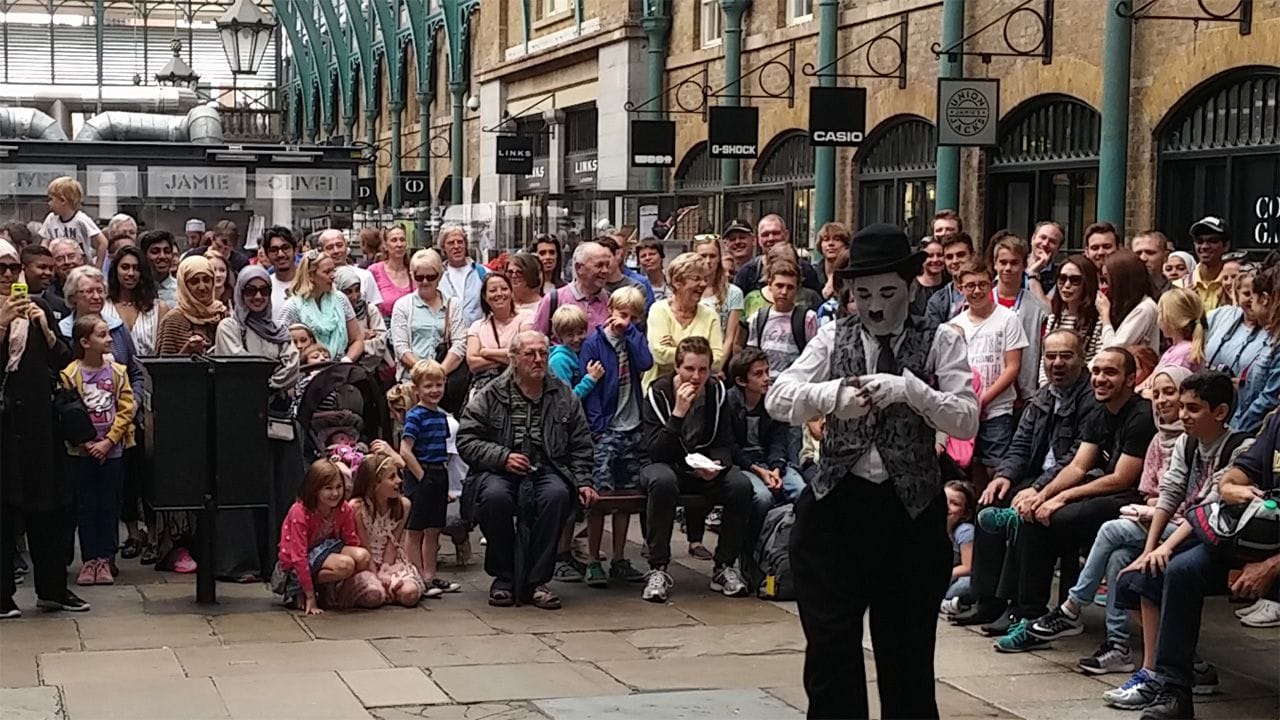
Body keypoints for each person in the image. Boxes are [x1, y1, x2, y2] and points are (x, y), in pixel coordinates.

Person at [765, 223, 979, 719]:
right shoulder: (831, 336)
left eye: (887, 292)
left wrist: (912, 391)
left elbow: (966, 417)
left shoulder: (943, 338)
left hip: (910, 514)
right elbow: (778, 397)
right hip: (836, 510)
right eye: (863, 294)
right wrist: (832, 396)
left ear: (908, 286)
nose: (875, 305)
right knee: (831, 651)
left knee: (906, 655)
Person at [1034, 372, 1250, 709]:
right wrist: (1149, 549)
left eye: (1192, 409)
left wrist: (1161, 549)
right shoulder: (1186, 442)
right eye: (1181, 407)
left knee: (1138, 557)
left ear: (1220, 412)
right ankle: (1154, 662)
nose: (1182, 416)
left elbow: (1209, 510)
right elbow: (1170, 493)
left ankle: (1140, 661)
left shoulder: (1240, 447)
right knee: (1127, 562)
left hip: (1215, 536)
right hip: (1180, 529)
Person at [987, 347, 1156, 652]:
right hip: (1100, 491)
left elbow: (1122, 478)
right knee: (1034, 515)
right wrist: (1042, 494)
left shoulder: (1141, 415)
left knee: (1056, 517)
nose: (1101, 379)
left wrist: (1061, 498)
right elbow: (1078, 465)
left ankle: (1067, 613)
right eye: (1098, 372)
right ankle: (1031, 615)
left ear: (1131, 379)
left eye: (1111, 372)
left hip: (1131, 499)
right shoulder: (1099, 411)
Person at [1018, 366, 1187, 671]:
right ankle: (1118, 646)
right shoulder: (1157, 439)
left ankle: (1072, 606)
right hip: (1152, 515)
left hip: (1183, 525)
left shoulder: (1190, 441)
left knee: (1109, 530)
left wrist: (1157, 509)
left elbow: (1191, 498)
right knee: (1118, 557)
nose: (1161, 401)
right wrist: (1042, 493)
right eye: (1158, 393)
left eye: (1170, 393)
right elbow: (1148, 489)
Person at [1121, 410, 1280, 720]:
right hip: (1260, 538)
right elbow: (1237, 474)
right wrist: (1232, 488)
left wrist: (1271, 567)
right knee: (1181, 570)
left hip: (1274, 557)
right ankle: (1174, 689)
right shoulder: (1277, 421)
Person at [953, 330, 1098, 627]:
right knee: (989, 502)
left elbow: (1076, 458)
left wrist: (1038, 488)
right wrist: (1004, 475)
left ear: (1082, 360)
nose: (1057, 363)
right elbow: (1020, 445)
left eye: (1066, 356)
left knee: (1025, 516)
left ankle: (1024, 606)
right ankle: (988, 599)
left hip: (1071, 483)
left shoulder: (1090, 401)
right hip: (1035, 477)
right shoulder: (1043, 397)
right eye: (1051, 356)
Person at [457, 330, 597, 610]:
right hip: (499, 470)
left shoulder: (563, 394)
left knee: (556, 496)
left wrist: (583, 481)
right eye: (530, 354)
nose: (538, 360)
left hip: (548, 467)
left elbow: (581, 444)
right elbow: (467, 439)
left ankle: (536, 580)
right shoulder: (492, 393)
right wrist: (502, 456)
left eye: (543, 354)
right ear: (514, 359)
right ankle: (504, 576)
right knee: (495, 498)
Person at [1, 239, 88, 617]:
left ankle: (53, 589)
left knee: (49, 508)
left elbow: (66, 360)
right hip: (4, 426)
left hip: (39, 424)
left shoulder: (38, 307)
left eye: (13, 268)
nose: (8, 276)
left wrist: (46, 330)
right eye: (0, 269)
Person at [640, 336, 755, 603]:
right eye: (690, 369)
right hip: (665, 464)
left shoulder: (716, 392)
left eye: (703, 369)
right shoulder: (658, 393)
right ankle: (658, 568)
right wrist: (678, 414)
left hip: (702, 466)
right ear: (677, 368)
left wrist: (717, 465)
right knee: (662, 482)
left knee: (740, 486)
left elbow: (724, 441)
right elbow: (655, 450)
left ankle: (724, 566)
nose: (696, 376)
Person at [214, 265, 303, 577]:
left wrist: (265, 379)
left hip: (276, 420)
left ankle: (276, 558)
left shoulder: (279, 328)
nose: (257, 296)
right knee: (242, 490)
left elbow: (292, 366)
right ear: (240, 292)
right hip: (241, 422)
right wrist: (269, 374)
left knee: (279, 488)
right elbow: (240, 366)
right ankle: (241, 561)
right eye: (250, 290)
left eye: (263, 291)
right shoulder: (229, 327)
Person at [154, 256, 228, 572]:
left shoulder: (225, 315)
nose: (201, 287)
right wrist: (187, 353)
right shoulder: (174, 319)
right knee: (184, 480)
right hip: (182, 414)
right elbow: (161, 369)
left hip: (219, 409)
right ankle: (177, 546)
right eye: (194, 281)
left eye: (207, 280)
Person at [578, 286, 653, 587]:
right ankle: (594, 558)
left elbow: (646, 363)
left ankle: (620, 557)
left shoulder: (633, 340)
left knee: (626, 498)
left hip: (632, 425)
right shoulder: (594, 343)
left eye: (633, 317)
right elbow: (592, 392)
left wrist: (632, 333)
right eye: (622, 314)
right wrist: (597, 428)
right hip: (607, 428)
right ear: (610, 309)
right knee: (601, 498)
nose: (626, 321)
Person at [62, 314, 136, 586]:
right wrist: (85, 442)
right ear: (85, 342)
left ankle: (105, 558)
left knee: (108, 505)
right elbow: (68, 411)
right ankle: (89, 559)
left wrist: (110, 440)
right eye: (102, 335)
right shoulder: (70, 374)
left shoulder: (118, 372)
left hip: (112, 451)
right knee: (86, 505)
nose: (108, 340)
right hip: (82, 453)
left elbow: (126, 408)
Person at [727, 347, 806, 583]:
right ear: (742, 380)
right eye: (758, 374)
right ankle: (748, 552)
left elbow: (779, 441)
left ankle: (792, 554)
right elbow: (731, 446)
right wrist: (758, 470)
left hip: (770, 463)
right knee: (761, 498)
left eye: (767, 371)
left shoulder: (772, 402)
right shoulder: (730, 403)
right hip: (745, 466)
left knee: (802, 492)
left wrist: (776, 468)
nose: (766, 378)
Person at [950, 261, 1028, 486]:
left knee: (996, 466)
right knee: (968, 466)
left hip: (997, 410)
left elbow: (1013, 367)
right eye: (970, 286)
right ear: (960, 288)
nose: (977, 291)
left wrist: (983, 400)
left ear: (990, 283)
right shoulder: (954, 324)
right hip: (965, 410)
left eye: (982, 284)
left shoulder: (1008, 319)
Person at [272, 459, 375, 614]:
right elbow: (298, 556)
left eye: (339, 487)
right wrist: (310, 597)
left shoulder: (343, 509)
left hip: (327, 551)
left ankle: (339, 595)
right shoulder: (300, 511)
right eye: (328, 488)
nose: (335, 493)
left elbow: (351, 540)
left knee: (363, 556)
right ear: (314, 489)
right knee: (345, 565)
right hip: (296, 563)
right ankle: (300, 588)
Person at [399, 359, 464, 599]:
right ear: (417, 388)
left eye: (438, 385)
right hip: (422, 474)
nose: (434, 390)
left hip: (439, 473)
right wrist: (422, 476)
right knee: (415, 529)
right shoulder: (415, 416)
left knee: (434, 528)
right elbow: (405, 450)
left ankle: (429, 575)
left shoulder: (441, 417)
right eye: (428, 386)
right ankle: (415, 576)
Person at [350, 450, 425, 607]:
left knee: (410, 594)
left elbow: (393, 543)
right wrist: (374, 572)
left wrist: (385, 568)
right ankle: (383, 590)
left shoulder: (403, 506)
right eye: (392, 477)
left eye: (398, 475)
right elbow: (364, 544)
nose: (398, 481)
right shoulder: (357, 507)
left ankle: (392, 589)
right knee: (373, 596)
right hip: (366, 563)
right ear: (375, 484)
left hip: (389, 562)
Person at [60, 266, 145, 396]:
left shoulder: (117, 327)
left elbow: (136, 372)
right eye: (89, 291)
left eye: (100, 291)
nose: (96, 297)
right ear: (73, 297)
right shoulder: (62, 332)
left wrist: (134, 402)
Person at [644, 252, 723, 389]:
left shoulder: (710, 315)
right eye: (696, 278)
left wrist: (675, 348)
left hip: (698, 391)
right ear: (677, 282)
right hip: (660, 391)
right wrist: (702, 355)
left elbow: (718, 361)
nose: (703, 284)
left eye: (705, 278)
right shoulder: (659, 310)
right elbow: (659, 355)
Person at [390, 249, 466, 383]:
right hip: (411, 380)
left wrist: (439, 373)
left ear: (440, 276)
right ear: (412, 276)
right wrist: (424, 373)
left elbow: (459, 344)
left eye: (431, 277)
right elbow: (400, 347)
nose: (425, 282)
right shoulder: (402, 305)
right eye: (419, 277)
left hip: (444, 380)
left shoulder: (453, 304)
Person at [990, 234, 1049, 401]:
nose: (1008, 268)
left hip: (1023, 394)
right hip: (986, 388)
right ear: (995, 264)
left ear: (1024, 265)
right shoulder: (982, 301)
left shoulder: (1037, 308)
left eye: (1014, 263)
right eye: (1003, 262)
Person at [279, 250, 365, 363]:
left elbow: (357, 340)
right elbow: (281, 348)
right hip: (306, 372)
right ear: (311, 275)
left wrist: (346, 360)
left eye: (333, 270)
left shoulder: (340, 299)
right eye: (327, 272)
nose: (333, 276)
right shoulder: (292, 307)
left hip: (340, 368)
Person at [744, 257, 818, 378]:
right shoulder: (758, 317)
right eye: (779, 286)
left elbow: (814, 356)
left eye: (790, 287)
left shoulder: (807, 318)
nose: (784, 292)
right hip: (765, 384)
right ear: (769, 285)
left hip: (794, 384)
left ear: (798, 288)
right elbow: (752, 356)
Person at [1230, 260, 1279, 433]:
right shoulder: (1271, 339)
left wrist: (1238, 433)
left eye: (1253, 297)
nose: (1250, 302)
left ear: (1264, 299)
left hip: (1257, 434)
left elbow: (1268, 400)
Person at [466, 273, 533, 393]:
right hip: (485, 391)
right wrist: (509, 358)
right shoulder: (476, 327)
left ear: (511, 292)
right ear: (485, 296)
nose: (499, 294)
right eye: (492, 290)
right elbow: (473, 363)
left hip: (519, 388)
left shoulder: (527, 317)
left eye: (504, 289)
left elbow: (525, 353)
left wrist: (486, 352)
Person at [532, 241, 612, 341]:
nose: (605, 271)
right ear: (579, 268)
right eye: (599, 265)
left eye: (607, 265)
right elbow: (537, 341)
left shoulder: (611, 301)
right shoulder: (553, 299)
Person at [1204, 266, 1268, 377]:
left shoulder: (1273, 331)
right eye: (1247, 294)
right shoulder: (1220, 315)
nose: (1252, 300)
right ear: (1236, 295)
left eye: (1256, 294)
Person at [732, 215, 821, 294]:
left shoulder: (805, 270)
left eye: (775, 233)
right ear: (758, 239)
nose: (771, 238)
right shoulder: (747, 272)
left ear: (786, 235)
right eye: (765, 235)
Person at [1100, 250, 1160, 357]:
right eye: (1102, 279)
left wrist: (1105, 316)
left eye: (1107, 279)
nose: (1105, 286)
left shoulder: (1145, 309)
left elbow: (1114, 350)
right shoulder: (1125, 306)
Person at [693, 234, 744, 360]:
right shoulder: (689, 289)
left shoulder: (734, 293)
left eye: (713, 256)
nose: (708, 261)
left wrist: (718, 365)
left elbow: (730, 337)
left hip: (719, 357)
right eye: (703, 256)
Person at [41, 176, 107, 270]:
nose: (49, 204)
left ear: (63, 200)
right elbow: (45, 241)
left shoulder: (81, 219)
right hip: (59, 268)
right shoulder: (51, 219)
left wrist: (98, 267)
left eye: (51, 199)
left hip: (81, 268)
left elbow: (103, 242)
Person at [335, 266, 390, 377]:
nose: (354, 296)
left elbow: (380, 343)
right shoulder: (333, 314)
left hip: (368, 374)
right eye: (348, 292)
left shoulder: (369, 310)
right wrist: (362, 336)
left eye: (357, 290)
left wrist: (357, 346)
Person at [319, 228, 382, 312]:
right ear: (321, 250)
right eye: (330, 247)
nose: (336, 251)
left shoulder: (365, 276)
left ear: (346, 246)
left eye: (339, 245)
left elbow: (375, 311)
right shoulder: (319, 279)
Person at [547, 305, 603, 400]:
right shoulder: (559, 361)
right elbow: (565, 399)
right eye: (570, 335)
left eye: (580, 333)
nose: (576, 339)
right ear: (560, 337)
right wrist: (590, 379)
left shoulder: (584, 352)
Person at [438, 225, 487, 327]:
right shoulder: (438, 275)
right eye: (451, 243)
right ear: (443, 248)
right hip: (448, 336)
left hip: (478, 336)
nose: (456, 247)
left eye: (460, 242)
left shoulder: (482, 273)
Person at [941, 480, 977, 612]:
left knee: (964, 585)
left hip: (959, 577)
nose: (947, 507)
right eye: (944, 501)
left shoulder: (965, 531)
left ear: (965, 512)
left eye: (954, 504)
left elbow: (968, 567)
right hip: (945, 577)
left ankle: (947, 602)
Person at [925, 232, 975, 325]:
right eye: (949, 257)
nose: (955, 261)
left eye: (960, 255)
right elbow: (932, 336)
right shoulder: (937, 301)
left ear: (972, 255)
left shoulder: (989, 293)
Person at [1155, 288, 1206, 373]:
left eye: (1160, 313)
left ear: (1171, 319)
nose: (1158, 320)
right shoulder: (1176, 349)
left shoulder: (1183, 353)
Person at [367, 226, 413, 320]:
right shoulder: (374, 271)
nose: (399, 244)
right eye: (394, 240)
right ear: (385, 246)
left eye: (402, 240)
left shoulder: (414, 271)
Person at [596, 236, 655, 309]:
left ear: (617, 254)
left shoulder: (637, 287)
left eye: (607, 257)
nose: (603, 264)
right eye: (598, 260)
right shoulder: (594, 288)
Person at [20, 245, 70, 327]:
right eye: (42, 267)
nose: (48, 273)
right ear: (23, 268)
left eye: (51, 269)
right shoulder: (9, 301)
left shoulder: (60, 305)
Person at [1188, 216, 1231, 312]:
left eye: (1212, 241)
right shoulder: (1180, 286)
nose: (1204, 246)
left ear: (1226, 246)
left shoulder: (1234, 286)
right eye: (1199, 241)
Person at [1025, 220, 1066, 302]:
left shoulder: (1059, 276)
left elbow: (1046, 309)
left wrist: (1033, 273)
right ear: (1033, 239)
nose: (1045, 244)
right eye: (1043, 237)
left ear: (1058, 248)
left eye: (1052, 241)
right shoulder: (1014, 264)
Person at [139, 230, 178, 305]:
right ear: (144, 255)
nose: (162, 256)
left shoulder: (181, 289)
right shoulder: (136, 288)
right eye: (155, 252)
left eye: (167, 251)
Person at [912, 238, 947, 317]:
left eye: (940, 255)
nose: (935, 259)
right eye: (930, 256)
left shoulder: (950, 286)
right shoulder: (911, 287)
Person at [1132, 230, 1173, 298]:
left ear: (1165, 256)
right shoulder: (1125, 293)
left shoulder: (1177, 295)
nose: (1143, 258)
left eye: (1150, 253)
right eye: (1138, 253)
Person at [505, 252, 544, 316]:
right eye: (510, 272)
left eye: (519, 272)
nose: (514, 276)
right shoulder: (503, 303)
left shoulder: (543, 306)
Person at [48, 238, 85, 305]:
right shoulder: (49, 292)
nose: (67, 262)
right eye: (59, 259)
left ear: (81, 259)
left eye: (71, 256)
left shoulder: (95, 284)